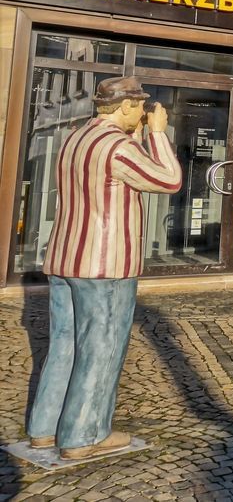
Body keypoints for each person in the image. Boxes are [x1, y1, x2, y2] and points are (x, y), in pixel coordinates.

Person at [28, 77, 183, 461]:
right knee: (101, 348)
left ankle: (44, 429)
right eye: (140, 107)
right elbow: (169, 179)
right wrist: (158, 135)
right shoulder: (118, 146)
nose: (142, 115)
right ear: (126, 106)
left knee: (64, 344)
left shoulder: (74, 139)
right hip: (106, 262)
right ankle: (85, 434)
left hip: (66, 256)